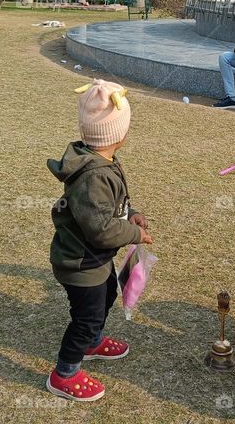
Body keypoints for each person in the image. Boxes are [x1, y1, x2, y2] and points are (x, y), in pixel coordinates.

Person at [44, 79, 152, 402]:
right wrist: (135, 234)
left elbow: (112, 205)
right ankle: (64, 373)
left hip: (97, 260)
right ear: (118, 134)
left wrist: (131, 213)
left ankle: (93, 340)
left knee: (106, 294)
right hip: (80, 263)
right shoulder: (93, 176)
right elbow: (101, 228)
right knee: (86, 315)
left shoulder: (104, 162)